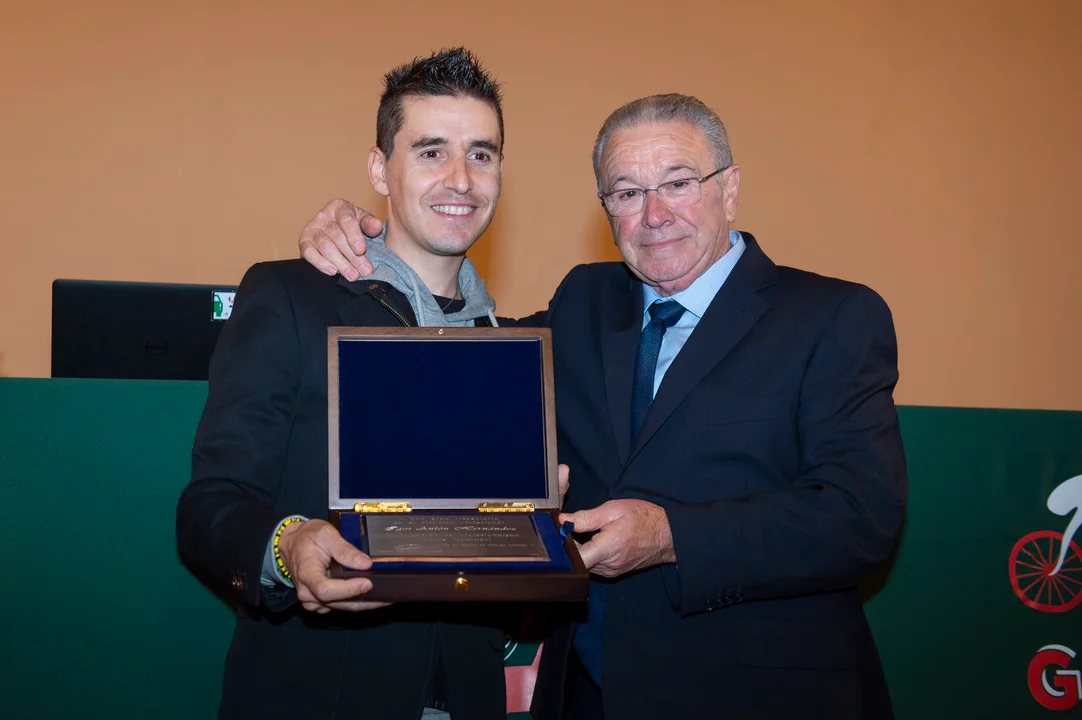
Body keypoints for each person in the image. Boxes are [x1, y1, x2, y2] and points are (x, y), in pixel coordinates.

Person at [297, 91, 908, 719]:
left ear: (729, 189)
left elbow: (860, 517)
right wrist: (370, 238)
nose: (655, 214)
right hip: (583, 696)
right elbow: (457, 354)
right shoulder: (583, 301)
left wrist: (671, 537)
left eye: (679, 183)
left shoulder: (832, 317)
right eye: (627, 192)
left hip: (761, 695)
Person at [177, 47, 568, 720]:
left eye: (481, 154)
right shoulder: (290, 297)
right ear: (379, 169)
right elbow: (208, 506)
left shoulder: (514, 347)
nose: (460, 179)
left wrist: (533, 526)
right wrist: (288, 544)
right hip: (317, 697)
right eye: (430, 151)